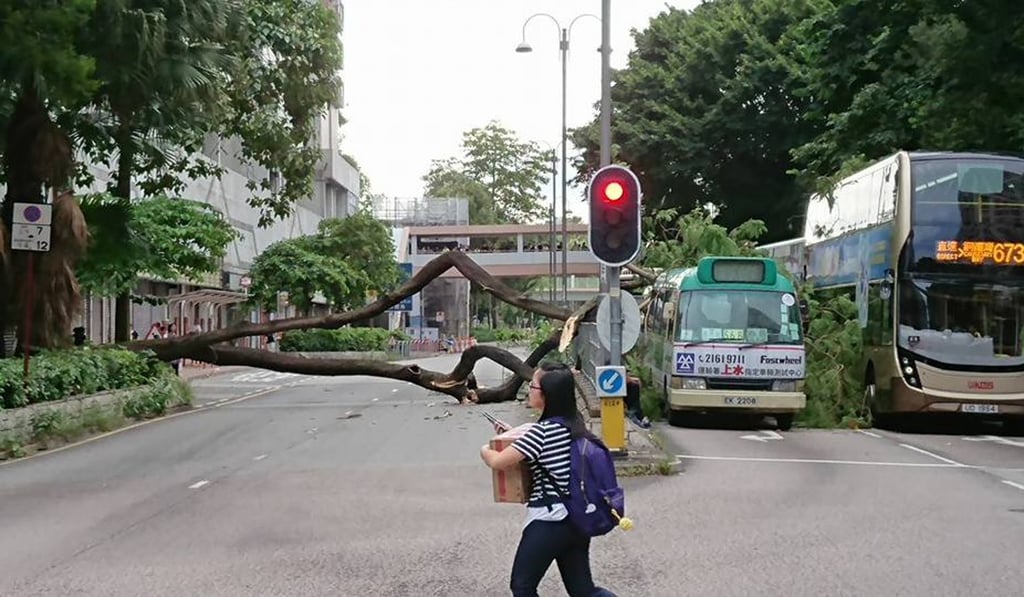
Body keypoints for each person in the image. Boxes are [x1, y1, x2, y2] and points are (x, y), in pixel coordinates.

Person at [479, 362, 617, 597]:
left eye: (533, 386)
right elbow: (539, 450)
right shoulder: (573, 425)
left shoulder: (540, 433)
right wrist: (512, 434)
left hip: (549, 521)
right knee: (583, 591)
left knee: (522, 586)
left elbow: (498, 461)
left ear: (546, 395)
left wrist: (485, 448)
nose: (529, 390)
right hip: (576, 519)